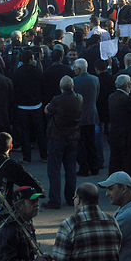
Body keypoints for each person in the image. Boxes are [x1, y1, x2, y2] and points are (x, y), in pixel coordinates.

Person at [52, 182, 122, 261]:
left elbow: (59, 258)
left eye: (74, 198)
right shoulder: (112, 221)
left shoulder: (69, 224)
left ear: (78, 200)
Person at [44, 75, 82, 209]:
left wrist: (49, 107)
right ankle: (71, 197)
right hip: (73, 137)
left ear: (60, 87)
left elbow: (48, 111)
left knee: (54, 170)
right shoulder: (78, 99)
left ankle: (55, 199)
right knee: (70, 169)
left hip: (57, 137)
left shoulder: (57, 100)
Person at [98, 171, 131, 261]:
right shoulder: (129, 208)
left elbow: (102, 242)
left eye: (110, 189)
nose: (107, 194)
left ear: (123, 188)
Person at [0, 186, 44, 261]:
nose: (37, 204)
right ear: (20, 205)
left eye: (37, 200)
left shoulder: (27, 222)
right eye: (32, 201)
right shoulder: (9, 230)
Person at [108, 74, 131, 182]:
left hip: (115, 134)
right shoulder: (127, 99)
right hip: (127, 137)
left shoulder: (112, 97)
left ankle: (112, 183)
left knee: (115, 162)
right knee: (129, 164)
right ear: (128, 85)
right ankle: (129, 185)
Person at [73, 58, 100, 176]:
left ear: (78, 69)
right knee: (91, 143)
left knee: (81, 144)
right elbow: (96, 95)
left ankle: (84, 168)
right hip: (92, 114)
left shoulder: (74, 81)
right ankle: (94, 167)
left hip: (79, 116)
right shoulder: (95, 79)